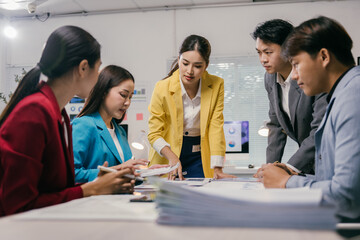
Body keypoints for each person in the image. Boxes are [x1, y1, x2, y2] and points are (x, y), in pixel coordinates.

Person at [0, 26, 135, 216]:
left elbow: (56, 186)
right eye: (98, 69)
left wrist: (103, 179)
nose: (98, 77)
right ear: (82, 68)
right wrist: (91, 189)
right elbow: (17, 206)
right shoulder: (33, 112)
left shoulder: (59, 113)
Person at [257, 16, 360, 224]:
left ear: (323, 57)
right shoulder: (342, 93)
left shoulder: (353, 96)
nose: (293, 76)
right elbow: (330, 181)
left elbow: (346, 197)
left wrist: (287, 182)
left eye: (296, 64)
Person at [148, 34, 235, 180]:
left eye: (198, 66)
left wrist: (218, 168)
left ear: (206, 65)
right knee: (169, 199)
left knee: (202, 196)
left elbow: (216, 127)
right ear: (178, 59)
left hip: (199, 155)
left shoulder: (216, 84)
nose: (189, 71)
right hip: (168, 153)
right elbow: (154, 134)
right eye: (185, 63)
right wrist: (173, 158)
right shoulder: (162, 87)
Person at [252, 19, 327, 174]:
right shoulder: (270, 78)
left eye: (268, 52)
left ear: (289, 49)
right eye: (259, 53)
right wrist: (270, 169)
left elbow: (319, 130)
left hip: (327, 158)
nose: (263, 59)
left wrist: (290, 167)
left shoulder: (312, 76)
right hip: (307, 162)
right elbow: (276, 126)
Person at [72, 65, 148, 183]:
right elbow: (72, 173)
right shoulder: (84, 125)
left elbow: (126, 174)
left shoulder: (120, 131)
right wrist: (116, 170)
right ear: (103, 92)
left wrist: (146, 173)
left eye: (130, 97)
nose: (128, 103)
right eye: (123, 95)